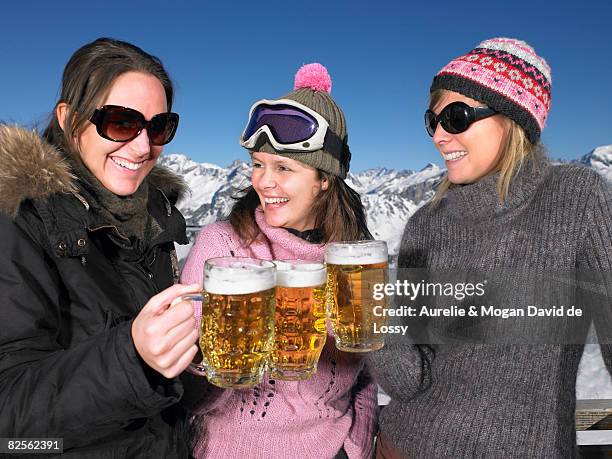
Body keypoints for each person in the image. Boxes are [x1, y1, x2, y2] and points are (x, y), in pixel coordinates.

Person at [370, 37, 612, 457]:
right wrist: (365, 314)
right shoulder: (424, 225)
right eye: (433, 121)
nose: (440, 136)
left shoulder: (578, 199)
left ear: (514, 119)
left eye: (457, 116)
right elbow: (409, 379)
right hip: (400, 447)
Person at [0, 38, 201, 457]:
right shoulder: (17, 221)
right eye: (121, 122)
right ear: (70, 119)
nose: (144, 147)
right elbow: (10, 426)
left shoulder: (154, 218)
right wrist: (134, 357)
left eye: (159, 126)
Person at [181, 63, 378, 459]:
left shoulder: (354, 260)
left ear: (325, 178)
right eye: (258, 164)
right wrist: (206, 356)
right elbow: (185, 382)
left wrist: (358, 444)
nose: (263, 182)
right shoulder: (223, 247)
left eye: (284, 168)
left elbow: (367, 373)